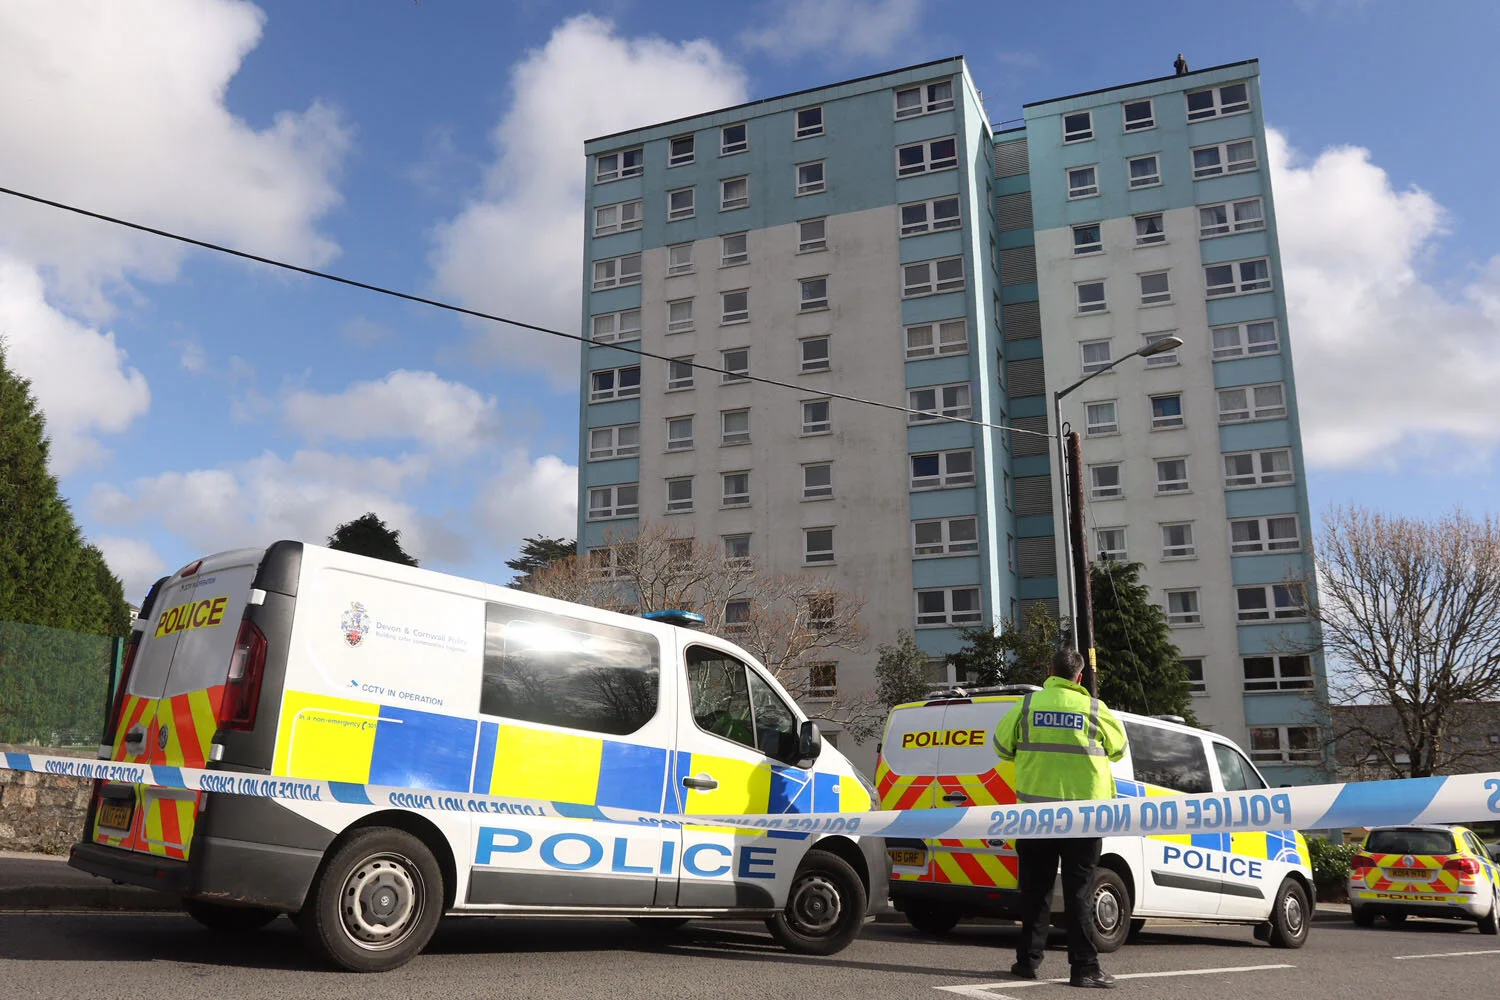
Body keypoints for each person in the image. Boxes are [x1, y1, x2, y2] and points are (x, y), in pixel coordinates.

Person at [994, 648, 1126, 989]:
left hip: (1035, 817)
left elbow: (1000, 747)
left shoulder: (1026, 706)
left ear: (1049, 671)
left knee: (1035, 891)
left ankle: (1028, 962)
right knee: (1078, 893)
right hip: (1084, 819)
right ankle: (1084, 967)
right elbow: (1120, 749)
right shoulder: (1096, 709)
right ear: (1079, 677)